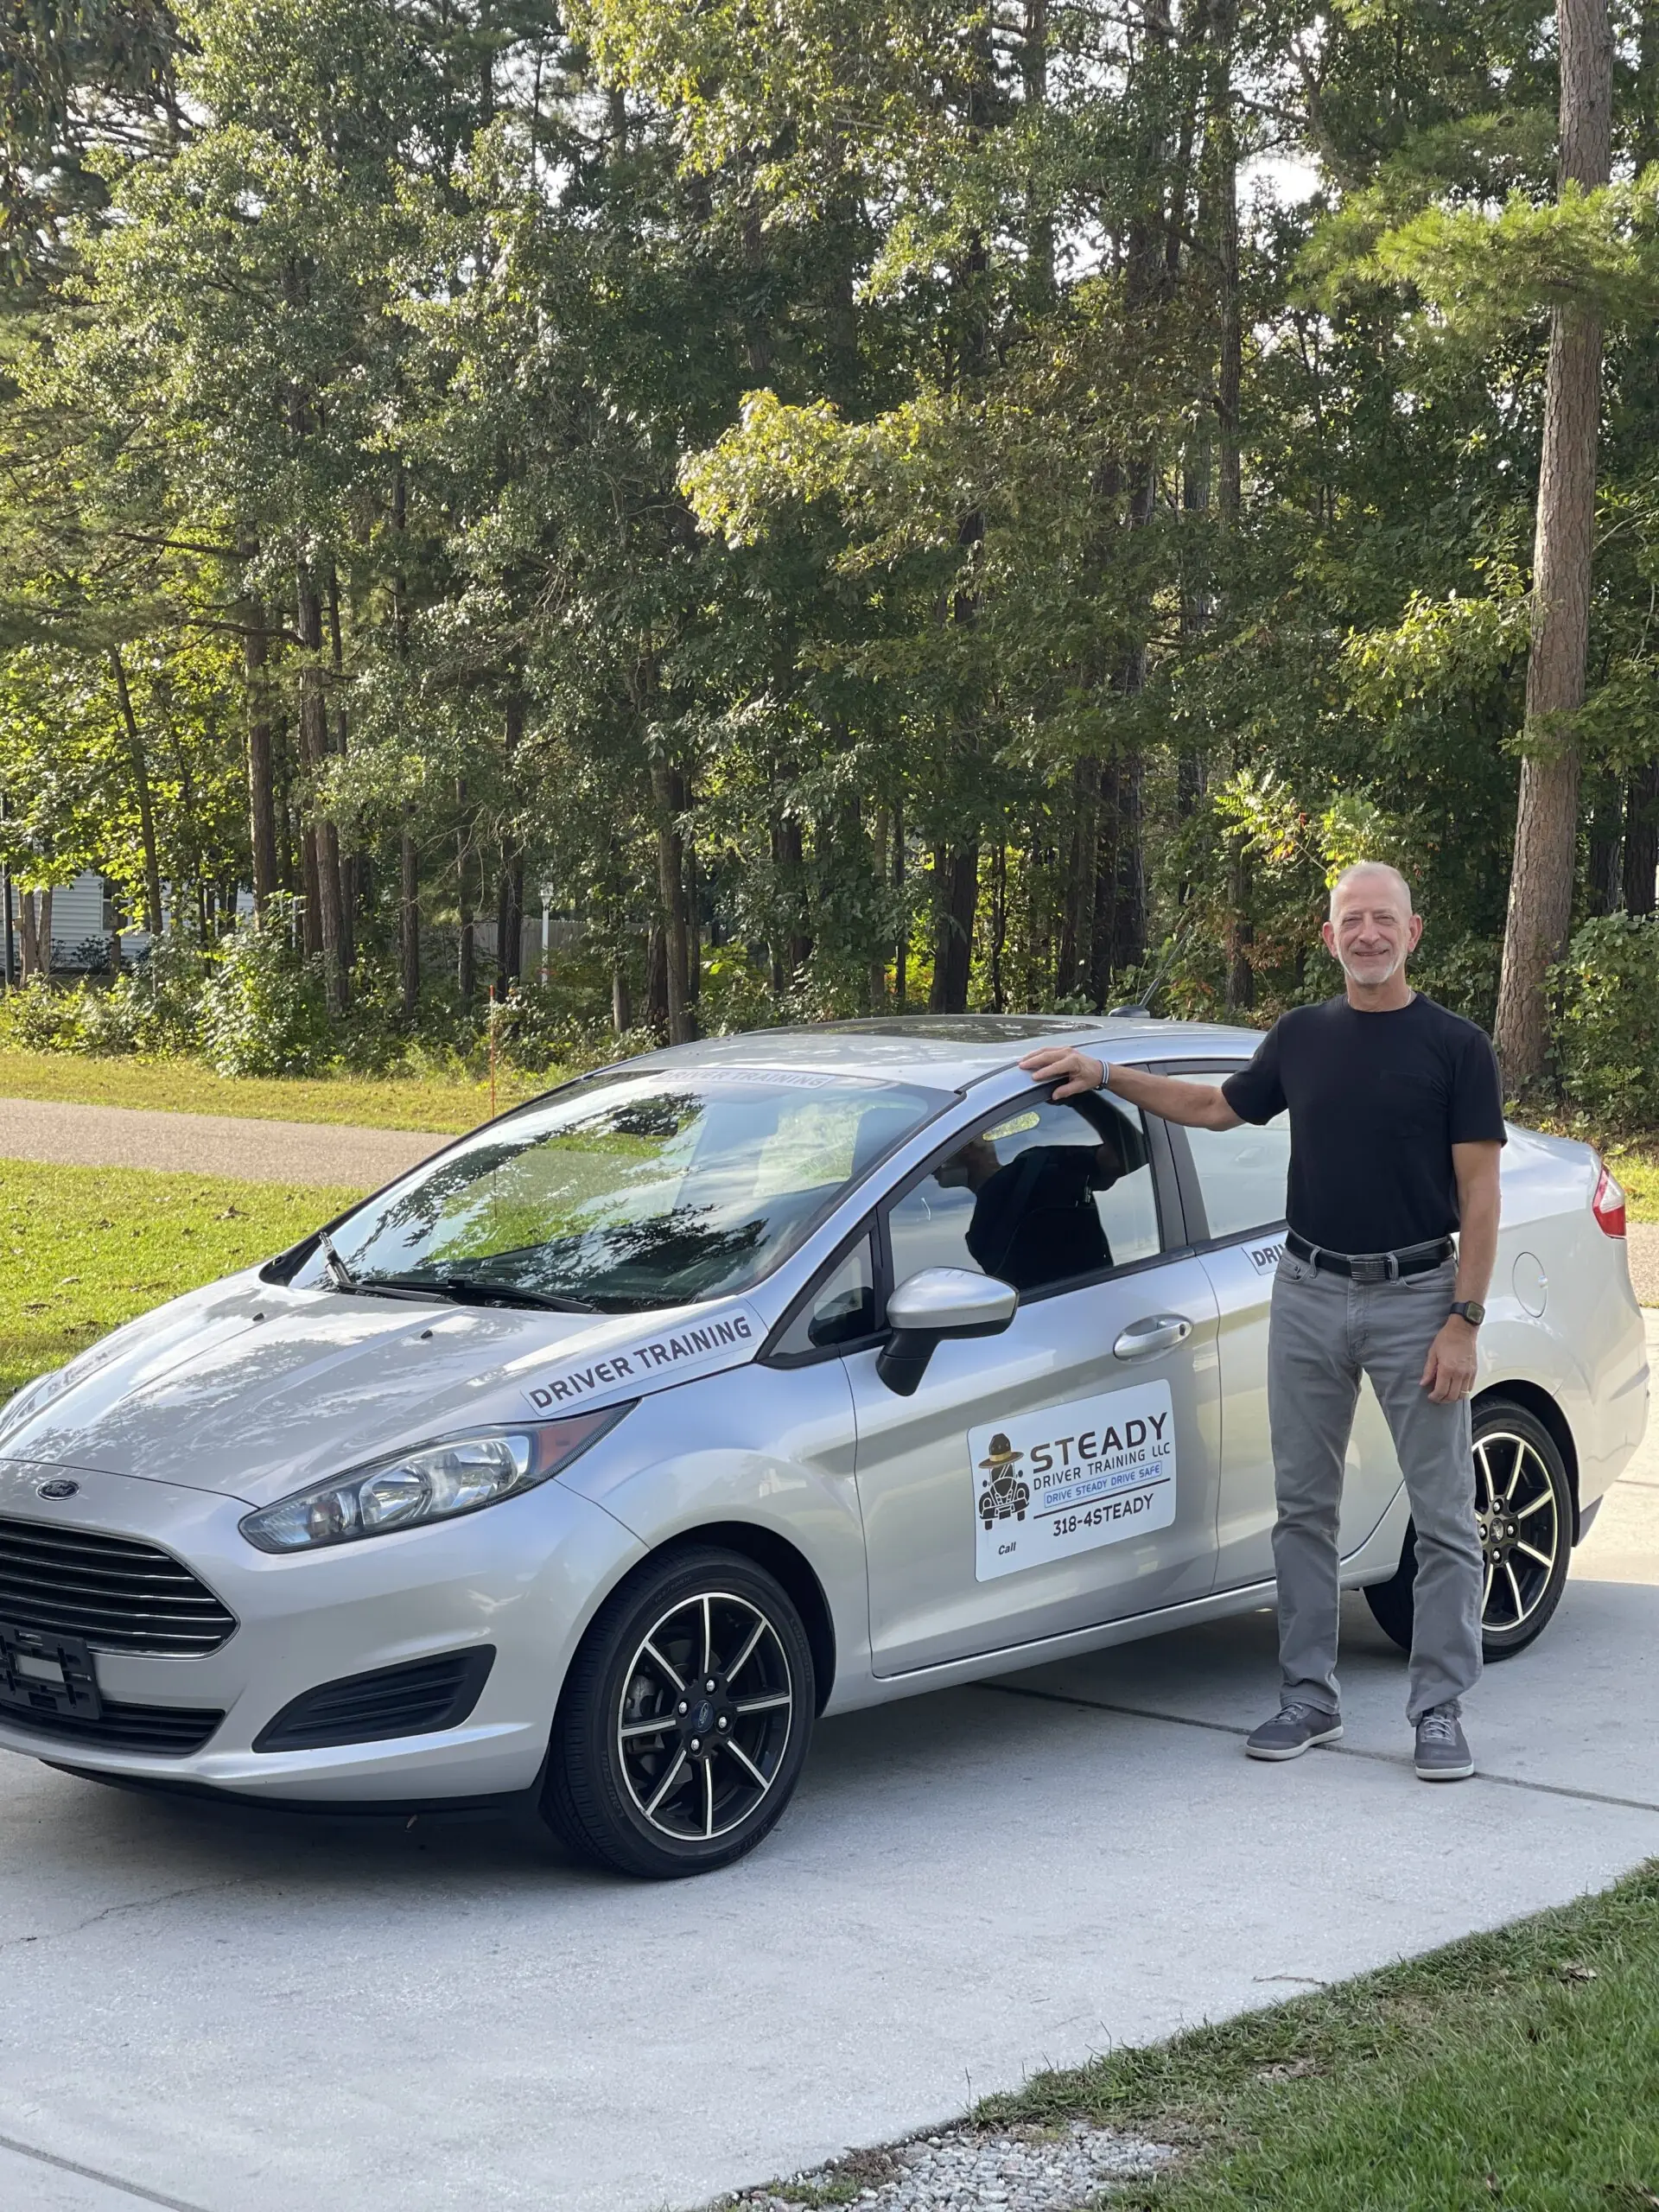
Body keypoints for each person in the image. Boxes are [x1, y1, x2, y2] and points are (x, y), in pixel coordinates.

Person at [1020, 861, 1503, 1783]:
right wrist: (1106, 1072)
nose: (1367, 934)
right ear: (1330, 938)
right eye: (1351, 921)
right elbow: (1213, 1106)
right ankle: (1308, 1699)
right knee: (1304, 1510)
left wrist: (1463, 1320)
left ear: (1414, 931)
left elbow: (1479, 1195)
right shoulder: (1302, 1037)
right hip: (1310, 1290)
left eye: (1383, 920)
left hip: (1416, 1297)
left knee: (1442, 1514)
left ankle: (1438, 1708)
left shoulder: (1456, 1047)